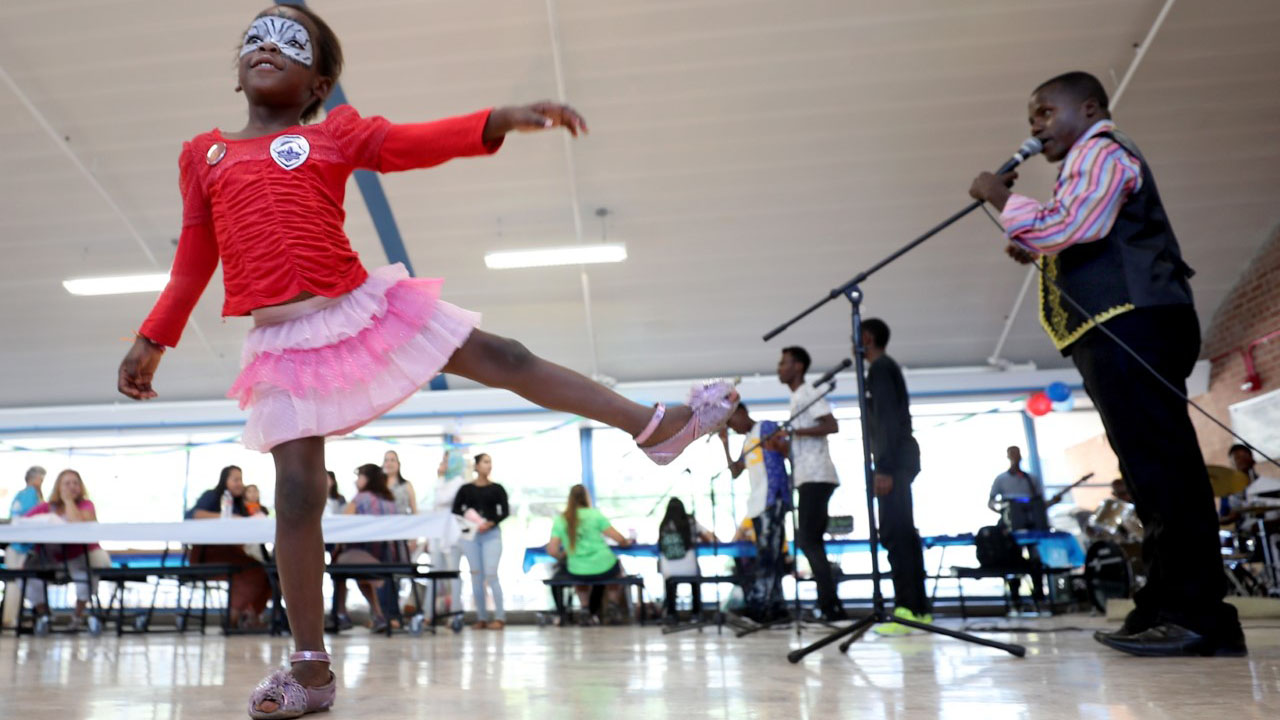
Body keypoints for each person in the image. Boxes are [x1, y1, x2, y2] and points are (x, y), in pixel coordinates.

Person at [113, 6, 738, 715]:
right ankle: (311, 669)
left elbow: (409, 143)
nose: (265, 45)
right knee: (296, 492)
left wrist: (497, 119)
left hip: (358, 309)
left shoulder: (335, 135)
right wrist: (152, 338)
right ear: (237, 71)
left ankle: (653, 425)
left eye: (289, 42)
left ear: (318, 80)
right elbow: (195, 258)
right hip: (283, 347)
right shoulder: (204, 155)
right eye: (254, 37)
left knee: (502, 353)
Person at [968, 70, 1244, 657]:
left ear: (1089, 108)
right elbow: (1072, 230)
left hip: (1135, 322)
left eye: (1045, 112)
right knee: (1146, 474)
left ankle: (1202, 616)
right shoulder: (1083, 164)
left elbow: (1073, 225)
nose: (1036, 126)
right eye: (1031, 119)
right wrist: (1036, 237)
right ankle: (1165, 605)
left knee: (1165, 470)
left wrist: (1002, 196)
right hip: (1116, 328)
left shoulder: (1102, 151)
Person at [856, 319, 931, 633]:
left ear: (868, 338)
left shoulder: (880, 369)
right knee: (904, 534)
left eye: (856, 338)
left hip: (893, 463)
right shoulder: (886, 368)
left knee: (895, 533)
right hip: (900, 460)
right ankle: (918, 609)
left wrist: (883, 467)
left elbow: (887, 418)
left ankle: (906, 610)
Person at [774, 345, 843, 620]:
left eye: (784, 363)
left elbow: (831, 425)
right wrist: (783, 444)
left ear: (798, 366)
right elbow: (799, 443)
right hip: (807, 476)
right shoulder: (796, 397)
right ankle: (830, 605)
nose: (779, 368)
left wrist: (794, 431)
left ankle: (829, 607)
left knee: (808, 540)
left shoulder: (808, 392)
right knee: (810, 541)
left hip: (817, 476)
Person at [721, 403, 791, 623]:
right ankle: (778, 608)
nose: (733, 428)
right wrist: (724, 443)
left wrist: (778, 443)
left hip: (773, 498)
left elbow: (786, 448)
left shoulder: (765, 427)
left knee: (768, 556)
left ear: (740, 412)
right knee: (769, 555)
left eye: (732, 422)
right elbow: (735, 472)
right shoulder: (747, 441)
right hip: (757, 504)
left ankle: (758, 607)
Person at [22, 470, 113, 631]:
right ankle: (45, 614)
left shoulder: (86, 505)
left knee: (85, 577)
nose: (72, 486)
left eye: (75, 483)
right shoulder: (45, 507)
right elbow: (23, 523)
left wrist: (68, 501)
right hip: (51, 557)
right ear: (58, 486)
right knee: (27, 577)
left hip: (79, 555)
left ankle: (77, 616)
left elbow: (77, 523)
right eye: (67, 483)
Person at [186, 465, 273, 630]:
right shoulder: (212, 496)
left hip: (234, 552)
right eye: (235, 479)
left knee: (268, 573)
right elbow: (194, 515)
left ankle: (251, 616)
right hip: (209, 553)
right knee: (255, 572)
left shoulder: (240, 504)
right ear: (225, 480)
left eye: (241, 479)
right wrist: (227, 517)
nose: (239, 483)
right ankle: (232, 619)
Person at [331, 464, 407, 633]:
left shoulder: (359, 499)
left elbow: (341, 528)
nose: (356, 481)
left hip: (364, 557)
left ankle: (341, 613)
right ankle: (378, 615)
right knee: (356, 568)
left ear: (367, 479)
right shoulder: (390, 500)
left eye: (359, 477)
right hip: (388, 558)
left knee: (339, 563)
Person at [547, 484, 634, 624]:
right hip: (603, 565)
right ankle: (613, 605)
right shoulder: (595, 514)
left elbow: (552, 550)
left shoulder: (561, 519)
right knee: (617, 572)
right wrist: (626, 542)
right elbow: (618, 538)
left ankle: (585, 609)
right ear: (587, 497)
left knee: (580, 578)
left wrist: (563, 556)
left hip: (577, 568)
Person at [452, 453, 509, 630]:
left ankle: (499, 616)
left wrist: (491, 522)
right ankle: (481, 617)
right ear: (476, 466)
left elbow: (504, 511)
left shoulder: (497, 489)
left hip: (491, 535)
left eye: (490, 462)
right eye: (485, 462)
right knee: (476, 575)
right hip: (472, 536)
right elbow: (456, 511)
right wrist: (472, 523)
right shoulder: (466, 489)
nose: (488, 465)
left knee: (491, 574)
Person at [655, 498, 715, 621]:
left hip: (668, 570)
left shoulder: (663, 524)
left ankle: (671, 614)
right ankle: (696, 613)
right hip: (689, 568)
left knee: (670, 582)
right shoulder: (690, 522)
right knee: (695, 581)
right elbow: (710, 538)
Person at [2, 465, 45, 628]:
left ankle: (13, 619)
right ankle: (12, 620)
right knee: (17, 585)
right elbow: (32, 521)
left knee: (15, 585)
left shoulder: (19, 495)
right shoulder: (31, 495)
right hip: (22, 549)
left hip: (16, 547)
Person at [428, 449, 467, 616]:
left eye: (446, 461)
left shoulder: (458, 482)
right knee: (434, 573)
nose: (443, 464)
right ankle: (429, 613)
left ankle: (455, 611)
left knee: (453, 573)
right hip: (438, 533)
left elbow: (441, 500)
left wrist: (440, 477)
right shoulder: (444, 482)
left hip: (451, 536)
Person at [988, 446, 1049, 531]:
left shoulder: (1031, 479)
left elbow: (1040, 503)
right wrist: (1005, 512)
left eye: (1017, 453)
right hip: (1009, 522)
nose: (1015, 456)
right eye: (1012, 453)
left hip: (1032, 521)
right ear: (1008, 456)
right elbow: (991, 503)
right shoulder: (1001, 479)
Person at [382, 450, 416, 516]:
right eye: (386, 460)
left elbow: (414, 511)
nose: (389, 463)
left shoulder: (407, 485)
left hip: (401, 524)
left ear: (398, 464)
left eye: (392, 460)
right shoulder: (377, 485)